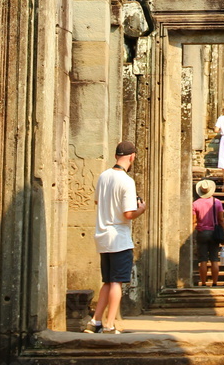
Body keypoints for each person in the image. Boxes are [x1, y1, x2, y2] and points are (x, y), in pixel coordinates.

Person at [84, 141, 146, 334]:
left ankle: (95, 321)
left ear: (116, 156)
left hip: (102, 235)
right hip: (118, 237)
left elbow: (96, 200)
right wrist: (141, 210)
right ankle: (109, 324)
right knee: (117, 282)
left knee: (108, 281)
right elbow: (128, 214)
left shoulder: (103, 176)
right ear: (132, 157)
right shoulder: (126, 181)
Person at [192, 178, 224, 286]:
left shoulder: (195, 204)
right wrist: (223, 232)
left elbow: (193, 221)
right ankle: (215, 282)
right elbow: (221, 219)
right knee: (214, 259)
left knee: (203, 260)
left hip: (202, 232)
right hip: (214, 233)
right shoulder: (217, 202)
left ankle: (203, 282)